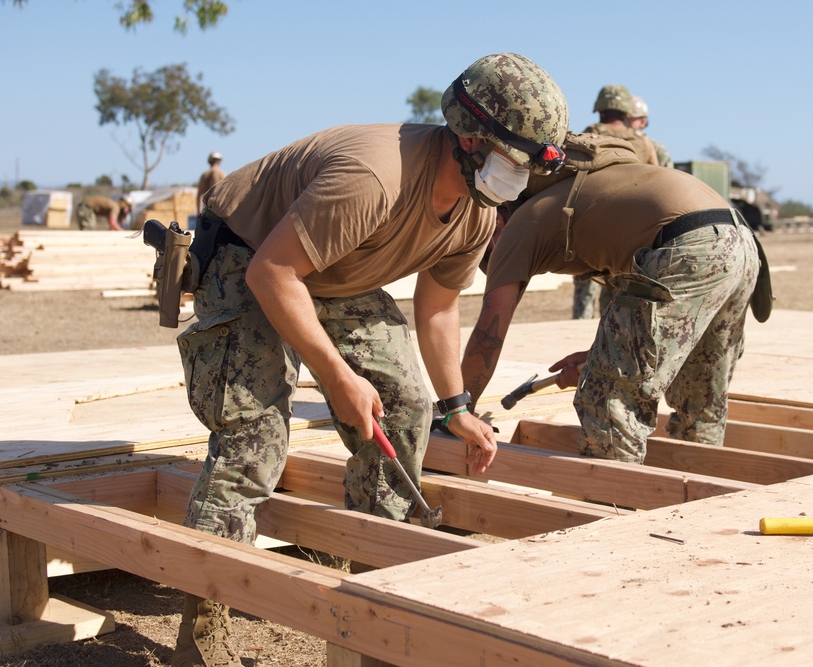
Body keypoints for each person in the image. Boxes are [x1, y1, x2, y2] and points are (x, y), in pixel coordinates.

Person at [170, 53, 569, 666]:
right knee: (253, 438)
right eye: (513, 161)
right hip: (249, 257)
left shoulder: (476, 209)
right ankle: (205, 628)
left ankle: (371, 595)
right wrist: (337, 377)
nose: (518, 178)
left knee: (406, 405)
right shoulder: (374, 178)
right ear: (469, 139)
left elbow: (437, 308)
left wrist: (456, 406)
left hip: (333, 270)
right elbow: (273, 273)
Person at [461, 156, 760, 467]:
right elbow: (642, 327)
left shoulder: (519, 226)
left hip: (686, 246)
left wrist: (458, 411)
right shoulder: (579, 199)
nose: (493, 256)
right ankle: (697, 495)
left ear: (495, 220)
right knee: (699, 392)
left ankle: (613, 505)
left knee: (609, 399)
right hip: (741, 242)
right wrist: (599, 357)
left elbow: (488, 336)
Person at [572, 84, 659, 319]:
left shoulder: (590, 133)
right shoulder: (644, 143)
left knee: (587, 283)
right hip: (633, 229)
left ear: (600, 112)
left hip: (594, 224)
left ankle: (582, 324)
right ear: (626, 113)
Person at [630, 95, 673, 168]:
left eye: (631, 118)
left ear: (643, 122)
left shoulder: (656, 148)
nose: (625, 121)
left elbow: (668, 176)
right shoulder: (614, 142)